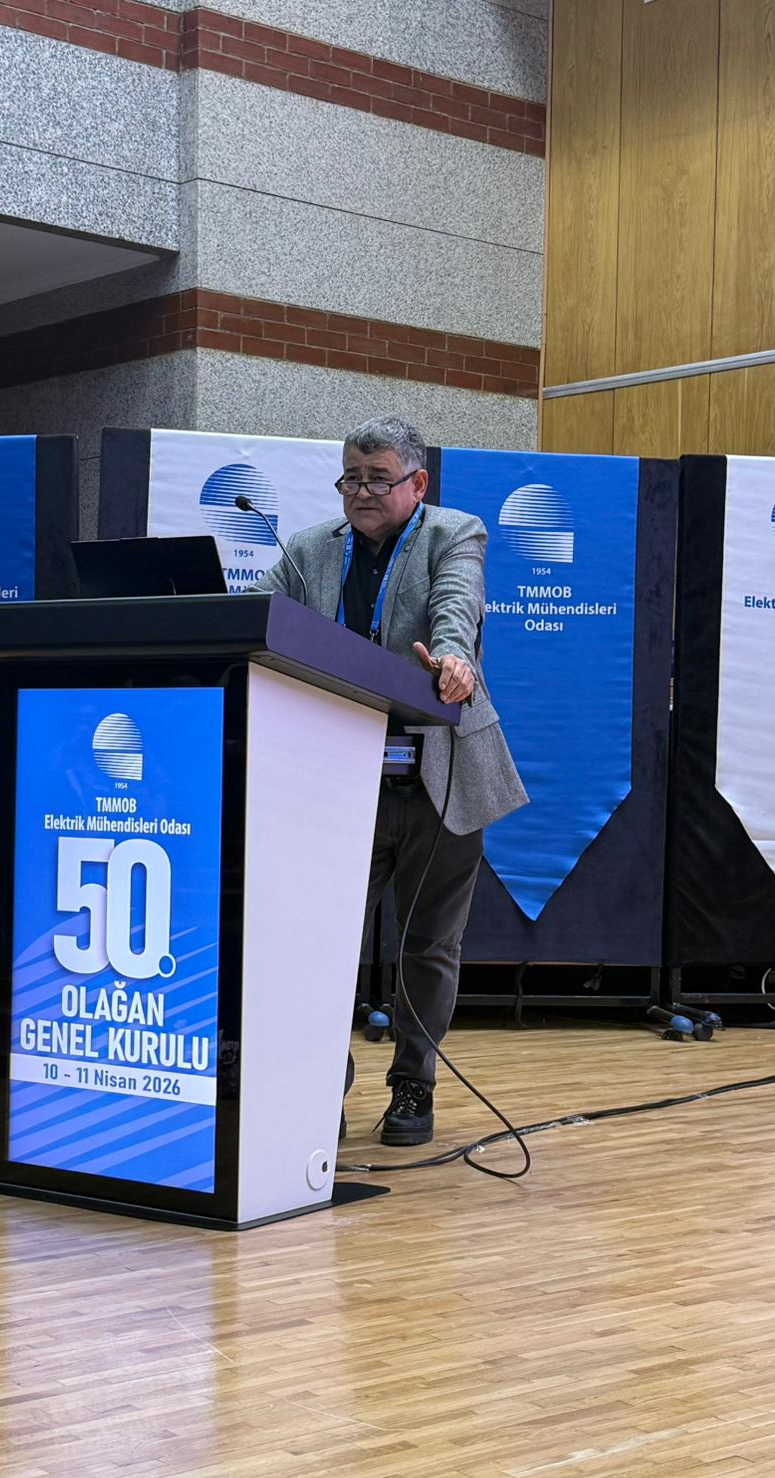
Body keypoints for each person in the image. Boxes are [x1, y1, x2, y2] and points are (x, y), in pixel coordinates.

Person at [251, 416, 526, 1145]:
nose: (361, 491)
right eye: (351, 477)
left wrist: (453, 660)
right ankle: (320, 1083)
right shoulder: (308, 550)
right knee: (317, 942)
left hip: (438, 775)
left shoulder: (454, 533)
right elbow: (253, 614)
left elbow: (455, 609)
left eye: (378, 478)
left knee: (429, 945)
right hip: (335, 779)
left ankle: (413, 1086)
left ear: (417, 482)